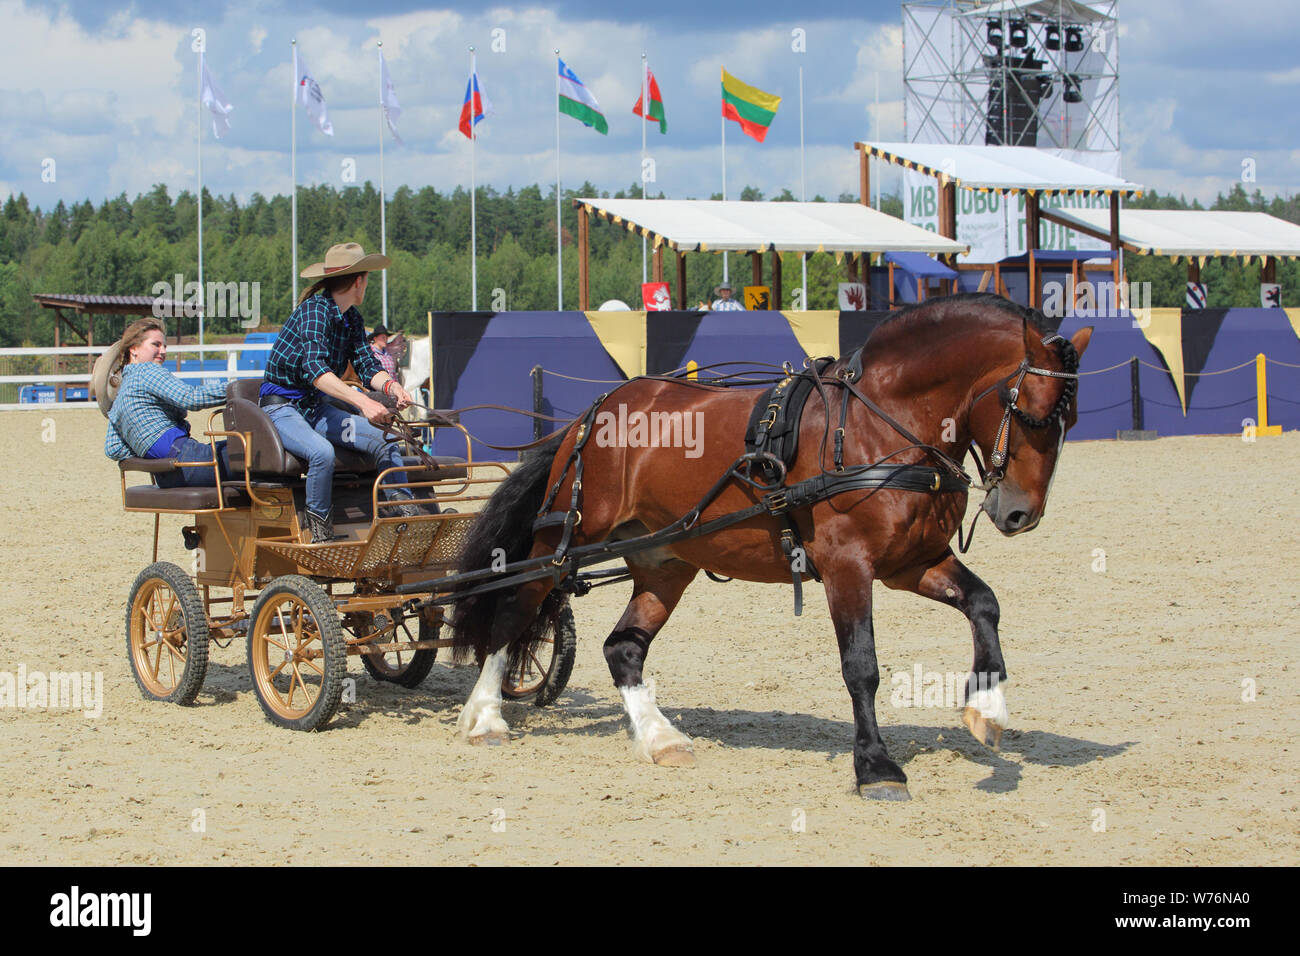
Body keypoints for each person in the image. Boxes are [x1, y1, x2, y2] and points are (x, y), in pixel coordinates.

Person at [260, 242, 419, 543]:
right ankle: (320, 534)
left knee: (387, 441)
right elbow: (316, 371)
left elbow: (367, 364)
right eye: (367, 278)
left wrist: (391, 385)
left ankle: (401, 514)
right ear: (359, 281)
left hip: (314, 407)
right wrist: (362, 402)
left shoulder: (352, 319)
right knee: (322, 453)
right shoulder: (314, 312)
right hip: (282, 408)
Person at [102, 318, 232, 488]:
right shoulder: (147, 371)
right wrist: (235, 389)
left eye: (164, 346)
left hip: (166, 476)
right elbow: (190, 397)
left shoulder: (120, 396)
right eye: (155, 345)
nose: (162, 351)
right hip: (189, 462)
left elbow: (113, 448)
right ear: (134, 349)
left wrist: (150, 449)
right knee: (257, 452)